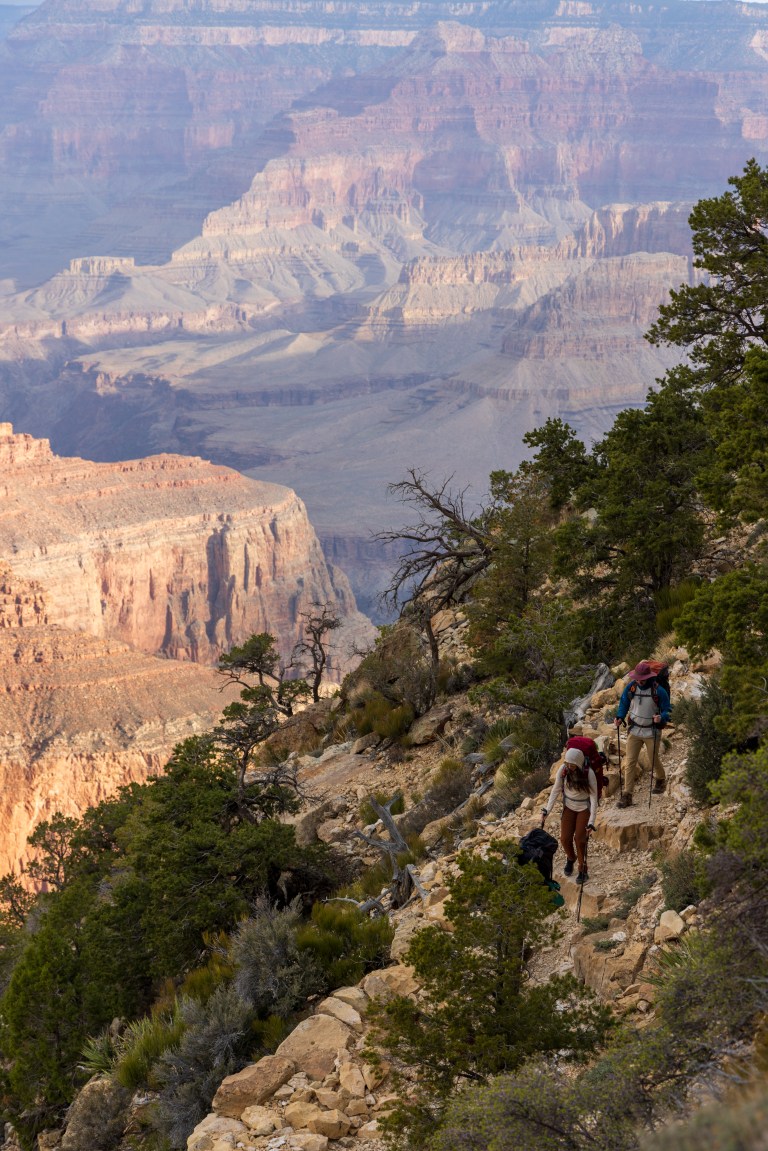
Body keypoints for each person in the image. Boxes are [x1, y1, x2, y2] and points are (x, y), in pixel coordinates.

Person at [613, 660, 672, 808]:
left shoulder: (659, 691)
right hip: (634, 730)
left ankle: (661, 779)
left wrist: (661, 717)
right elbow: (624, 703)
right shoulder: (631, 687)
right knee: (630, 762)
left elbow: (667, 710)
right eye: (637, 678)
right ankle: (627, 795)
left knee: (653, 759)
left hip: (652, 731)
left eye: (642, 678)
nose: (639, 681)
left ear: (648, 677)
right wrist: (619, 717)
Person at [541, 747, 597, 885]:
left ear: (578, 763)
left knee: (580, 839)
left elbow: (594, 797)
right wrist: (547, 810)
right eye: (567, 763)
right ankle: (571, 858)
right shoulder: (563, 770)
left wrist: (591, 821)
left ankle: (582, 869)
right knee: (565, 839)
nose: (569, 767)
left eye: (572, 765)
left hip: (584, 808)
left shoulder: (588, 773)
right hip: (569, 806)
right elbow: (555, 790)